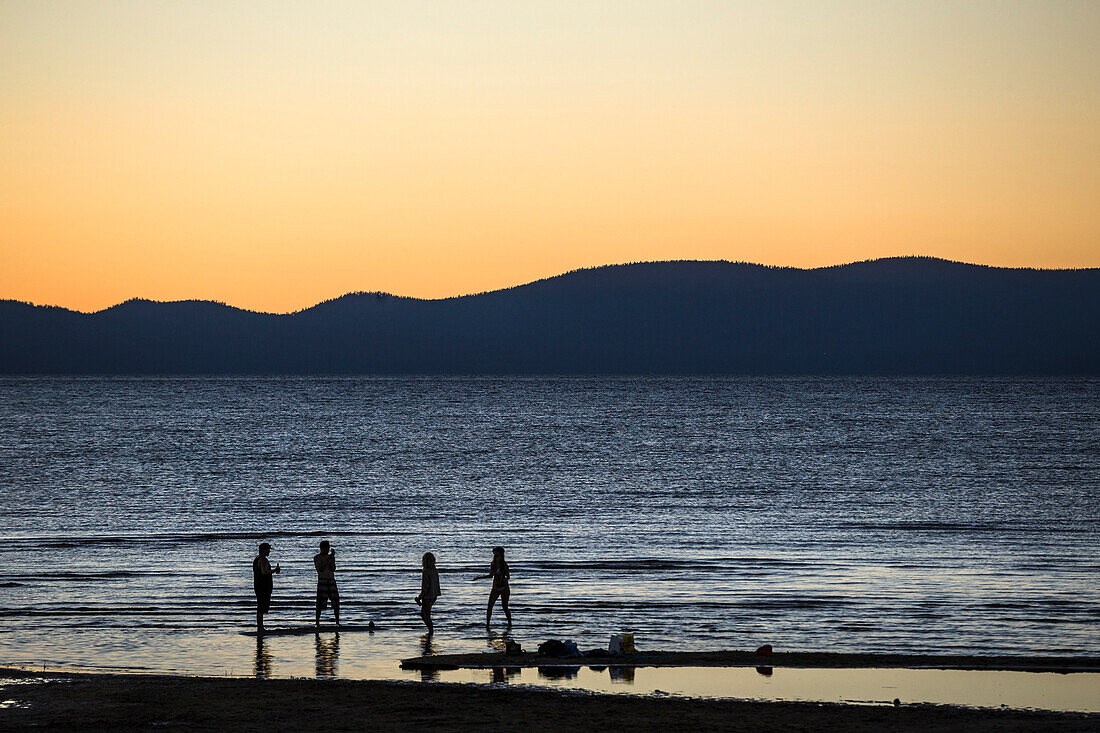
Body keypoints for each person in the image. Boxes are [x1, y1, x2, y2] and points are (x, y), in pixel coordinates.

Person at [475, 546, 512, 627]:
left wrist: (505, 579)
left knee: (505, 607)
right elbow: (490, 575)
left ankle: (510, 624)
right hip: (495, 587)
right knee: (490, 606)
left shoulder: (504, 564)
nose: (494, 553)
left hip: (504, 588)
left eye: (496, 551)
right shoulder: (493, 563)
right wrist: (479, 578)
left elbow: (508, 576)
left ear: (500, 553)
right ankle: (487, 624)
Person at [252, 542, 280, 633]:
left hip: (258, 585)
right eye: (268, 549)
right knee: (261, 607)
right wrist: (275, 570)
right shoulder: (263, 559)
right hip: (263, 586)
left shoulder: (256, 559)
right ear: (264, 550)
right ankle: (260, 628)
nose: (269, 551)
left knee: (260, 606)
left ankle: (260, 627)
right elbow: (264, 572)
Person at [313, 540, 340, 627]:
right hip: (322, 580)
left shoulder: (330, 557)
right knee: (320, 603)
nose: (327, 550)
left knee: (335, 602)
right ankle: (317, 622)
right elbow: (320, 569)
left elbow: (333, 569)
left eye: (328, 548)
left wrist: (331, 559)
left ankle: (337, 622)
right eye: (325, 548)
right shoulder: (317, 558)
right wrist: (329, 559)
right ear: (321, 549)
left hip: (331, 580)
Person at [414, 552, 441, 633]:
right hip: (434, 596)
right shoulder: (434, 570)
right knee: (426, 614)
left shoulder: (426, 571)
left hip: (427, 596)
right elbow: (436, 584)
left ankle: (431, 631)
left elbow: (425, 587)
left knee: (425, 615)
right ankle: (430, 630)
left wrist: (419, 597)